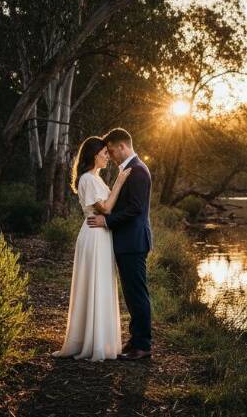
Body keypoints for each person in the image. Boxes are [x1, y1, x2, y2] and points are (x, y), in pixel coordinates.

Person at [53, 136, 132, 361]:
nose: (108, 156)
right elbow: (105, 208)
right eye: (104, 153)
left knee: (102, 284)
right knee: (93, 284)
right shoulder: (87, 179)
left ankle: (101, 339)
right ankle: (89, 341)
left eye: (108, 152)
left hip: (102, 236)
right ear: (94, 154)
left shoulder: (96, 178)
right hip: (94, 236)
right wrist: (119, 182)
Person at [86, 128, 153, 361]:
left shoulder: (138, 172)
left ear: (122, 146)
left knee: (137, 295)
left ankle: (143, 346)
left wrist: (107, 220)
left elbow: (134, 209)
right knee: (132, 294)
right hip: (127, 242)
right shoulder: (129, 170)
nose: (111, 156)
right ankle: (135, 340)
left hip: (134, 242)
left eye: (112, 150)